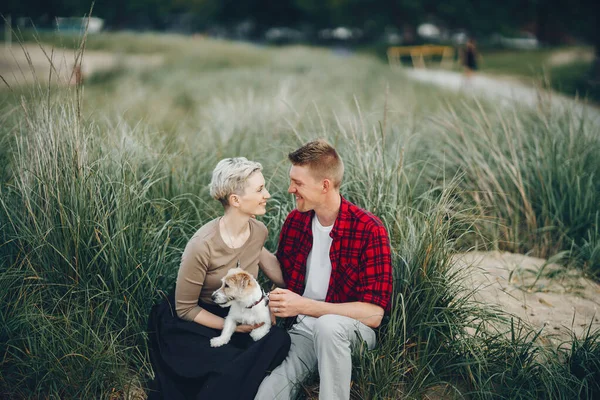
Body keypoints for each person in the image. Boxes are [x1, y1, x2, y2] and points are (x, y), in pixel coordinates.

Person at [255, 139, 393, 400]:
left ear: (325, 185)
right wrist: (253, 242)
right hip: (304, 331)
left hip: (353, 333)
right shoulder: (296, 220)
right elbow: (285, 275)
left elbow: (373, 315)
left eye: (298, 183)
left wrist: (303, 306)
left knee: (328, 327)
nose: (290, 189)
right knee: (267, 394)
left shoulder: (369, 229)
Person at [147, 157, 291, 400]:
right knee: (221, 357)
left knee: (280, 339)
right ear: (235, 200)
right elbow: (185, 309)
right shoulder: (202, 245)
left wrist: (270, 303)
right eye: (259, 189)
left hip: (239, 311)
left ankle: (231, 376)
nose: (267, 194)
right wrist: (234, 327)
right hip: (198, 320)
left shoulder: (259, 231)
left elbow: (272, 269)